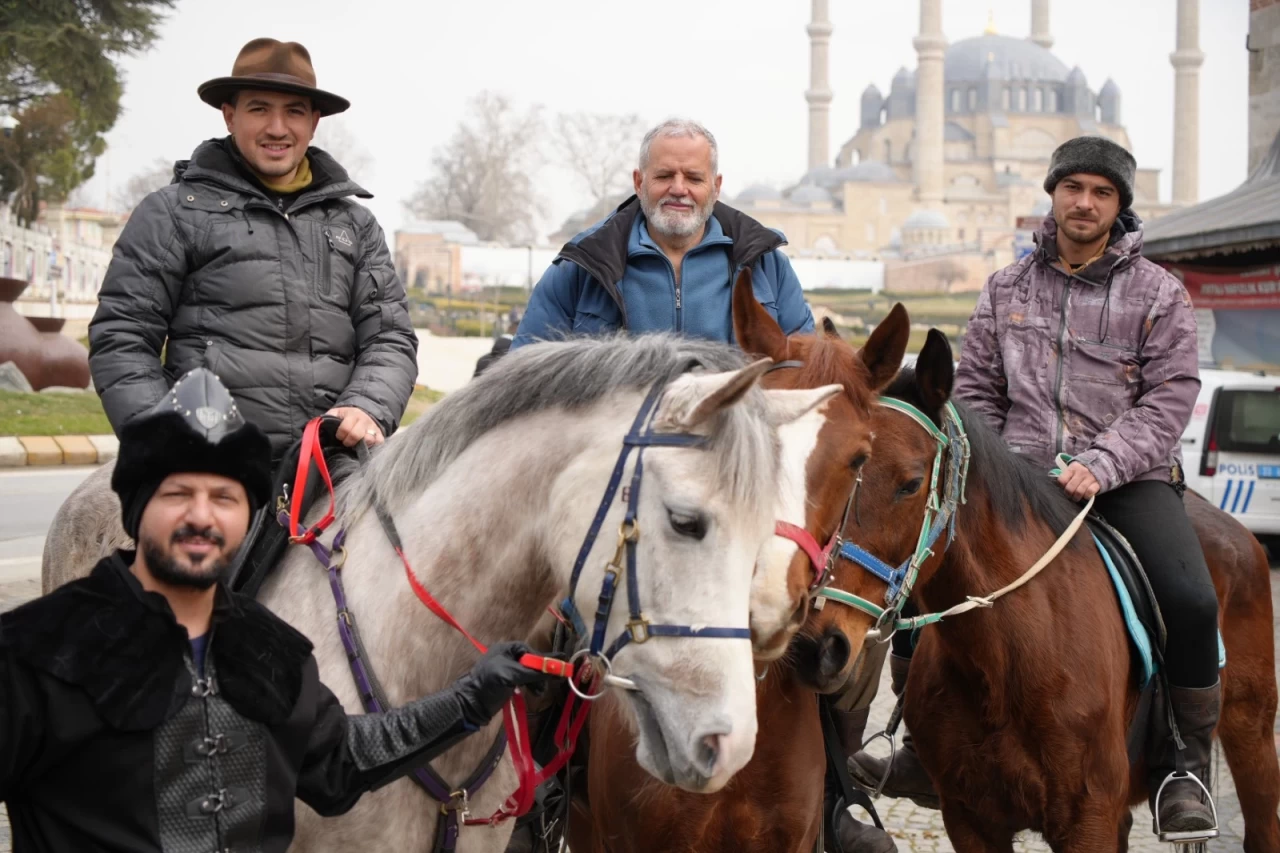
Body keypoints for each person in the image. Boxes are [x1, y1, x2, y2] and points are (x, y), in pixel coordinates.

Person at [0, 368, 548, 852]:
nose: (201, 517)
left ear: (246, 518)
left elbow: (346, 760)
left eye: (224, 498)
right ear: (138, 507)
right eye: (177, 494)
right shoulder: (34, 651)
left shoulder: (269, 652)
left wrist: (471, 698)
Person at [849, 135, 1218, 837]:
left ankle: (1183, 761)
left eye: (1102, 192)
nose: (1085, 202)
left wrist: (1102, 460)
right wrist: (999, 466)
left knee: (1191, 598)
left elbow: (1170, 396)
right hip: (1018, 484)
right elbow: (979, 390)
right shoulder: (1006, 288)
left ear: (1119, 205)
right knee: (920, 577)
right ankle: (921, 750)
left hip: (1123, 481)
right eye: (1074, 187)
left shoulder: (1157, 292)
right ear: (1053, 193)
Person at [89, 38, 418, 463]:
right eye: (259, 109)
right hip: (209, 464)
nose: (277, 128)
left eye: (294, 111)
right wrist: (166, 439)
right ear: (230, 115)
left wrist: (367, 405)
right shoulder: (169, 214)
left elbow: (390, 336)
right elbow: (123, 336)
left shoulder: (355, 224)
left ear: (314, 122)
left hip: (331, 466)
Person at [512, 118, 814, 348]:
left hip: (734, 430)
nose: (679, 189)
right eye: (664, 175)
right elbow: (522, 373)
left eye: (694, 178)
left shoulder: (768, 266)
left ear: (716, 187)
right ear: (639, 182)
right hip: (612, 431)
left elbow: (807, 377)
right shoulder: (582, 265)